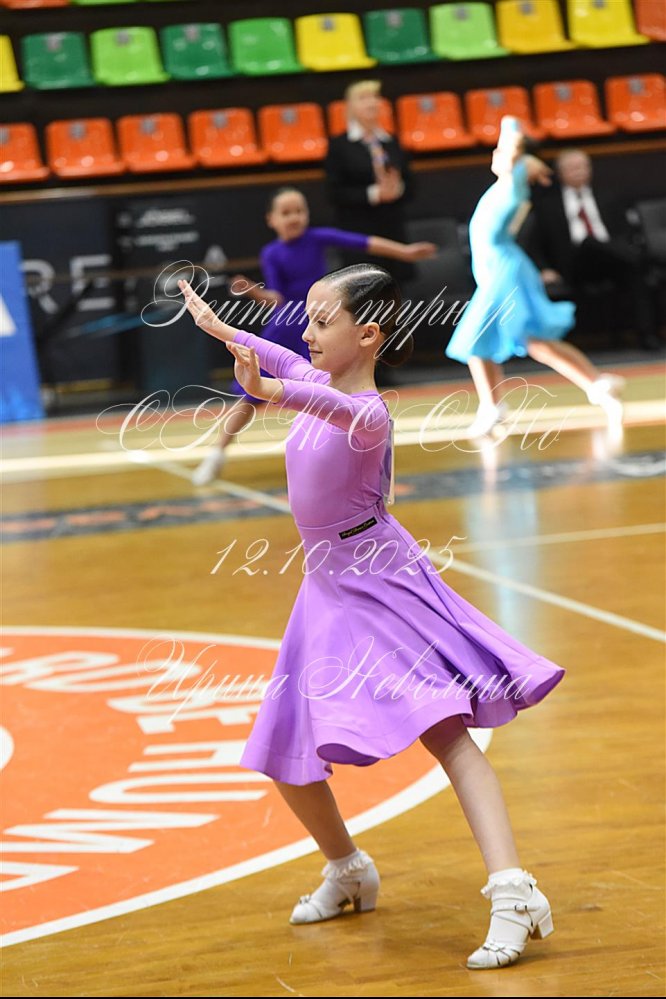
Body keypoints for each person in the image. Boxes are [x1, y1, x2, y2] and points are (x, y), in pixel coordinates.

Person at [178, 263, 564, 970]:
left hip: (380, 582)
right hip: (326, 587)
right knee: (285, 743)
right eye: (309, 318)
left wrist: (267, 389)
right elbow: (274, 358)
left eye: (323, 321)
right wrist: (214, 325)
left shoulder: (367, 412)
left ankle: (515, 892)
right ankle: (349, 869)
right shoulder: (316, 379)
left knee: (446, 732)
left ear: (369, 335)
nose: (307, 332)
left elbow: (299, 391)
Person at [192, 186, 436, 485]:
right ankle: (216, 453)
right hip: (287, 328)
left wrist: (405, 252)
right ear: (271, 219)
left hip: (325, 324)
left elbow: (364, 242)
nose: (294, 217)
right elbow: (277, 298)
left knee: (327, 393)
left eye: (299, 210)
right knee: (250, 396)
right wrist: (254, 292)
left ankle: (334, 456)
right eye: (286, 212)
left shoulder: (317, 237)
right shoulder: (272, 253)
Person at [445, 118, 626, 437]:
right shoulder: (506, 186)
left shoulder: (512, 188)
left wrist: (510, 132)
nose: (496, 155)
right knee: (530, 341)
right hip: (499, 270)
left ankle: (494, 407)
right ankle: (597, 386)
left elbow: (512, 150)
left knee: (479, 338)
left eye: (502, 153)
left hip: (504, 272)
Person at [525, 147, 661, 351]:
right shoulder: (548, 206)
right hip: (574, 266)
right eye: (572, 168)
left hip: (614, 262)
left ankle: (647, 336)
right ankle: (647, 262)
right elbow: (534, 245)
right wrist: (544, 269)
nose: (579, 172)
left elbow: (624, 234)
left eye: (582, 166)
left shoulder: (608, 198)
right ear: (560, 173)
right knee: (591, 244)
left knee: (635, 272)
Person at [324, 79, 415, 283]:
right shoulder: (340, 145)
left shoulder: (391, 142)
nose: (372, 102)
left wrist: (398, 189)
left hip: (393, 229)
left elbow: (412, 184)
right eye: (363, 98)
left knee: (396, 289)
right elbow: (334, 193)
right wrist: (374, 194)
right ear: (350, 106)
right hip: (359, 231)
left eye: (375, 97)